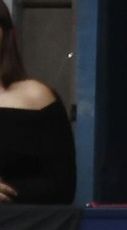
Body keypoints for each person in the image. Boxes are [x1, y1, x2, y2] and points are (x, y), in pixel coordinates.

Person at [0, 0, 76, 204]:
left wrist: (10, 192)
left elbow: (62, 187)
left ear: (5, 33)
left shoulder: (37, 98)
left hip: (20, 228)